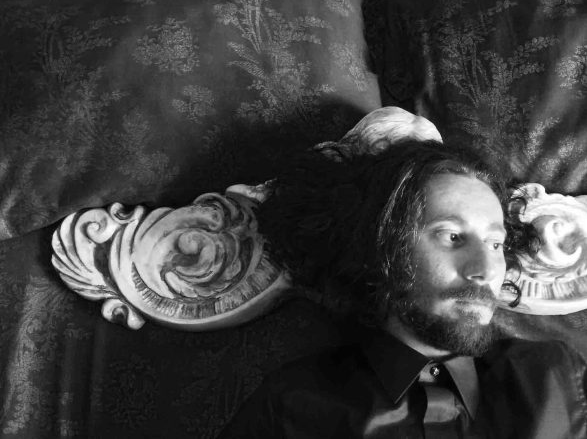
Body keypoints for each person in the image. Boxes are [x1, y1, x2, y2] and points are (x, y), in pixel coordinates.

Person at [217, 140, 587, 438]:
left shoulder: (558, 376)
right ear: (383, 248)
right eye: (452, 237)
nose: (486, 270)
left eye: (495, 244)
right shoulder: (292, 406)